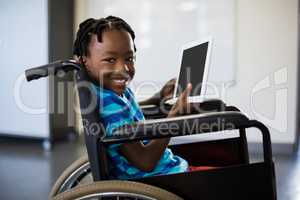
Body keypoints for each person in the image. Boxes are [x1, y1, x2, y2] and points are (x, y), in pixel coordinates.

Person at [73, 16, 195, 179]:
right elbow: (146, 161)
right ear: (84, 61)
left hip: (166, 168)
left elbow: (127, 115)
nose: (123, 68)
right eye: (110, 60)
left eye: (129, 58)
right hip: (160, 177)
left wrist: (157, 98)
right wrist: (174, 117)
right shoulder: (109, 103)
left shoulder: (110, 92)